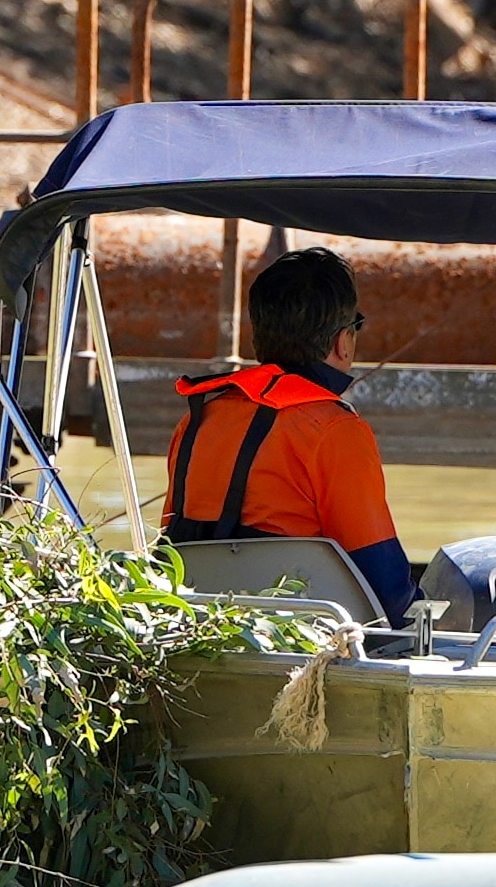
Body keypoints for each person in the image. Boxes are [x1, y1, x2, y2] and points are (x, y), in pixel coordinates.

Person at [162, 246, 416, 627]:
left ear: (259, 338)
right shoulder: (335, 431)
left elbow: (171, 543)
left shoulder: (197, 421)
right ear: (342, 341)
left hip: (201, 628)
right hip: (304, 641)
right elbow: (383, 578)